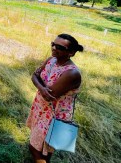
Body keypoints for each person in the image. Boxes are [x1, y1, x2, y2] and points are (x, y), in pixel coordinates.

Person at [26, 34, 83, 163]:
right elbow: (34, 75)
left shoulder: (72, 73)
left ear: (71, 53)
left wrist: (40, 84)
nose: (54, 48)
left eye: (59, 47)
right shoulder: (51, 60)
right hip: (41, 109)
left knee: (37, 149)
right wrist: (42, 87)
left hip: (54, 116)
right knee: (41, 148)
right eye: (53, 44)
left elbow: (49, 95)